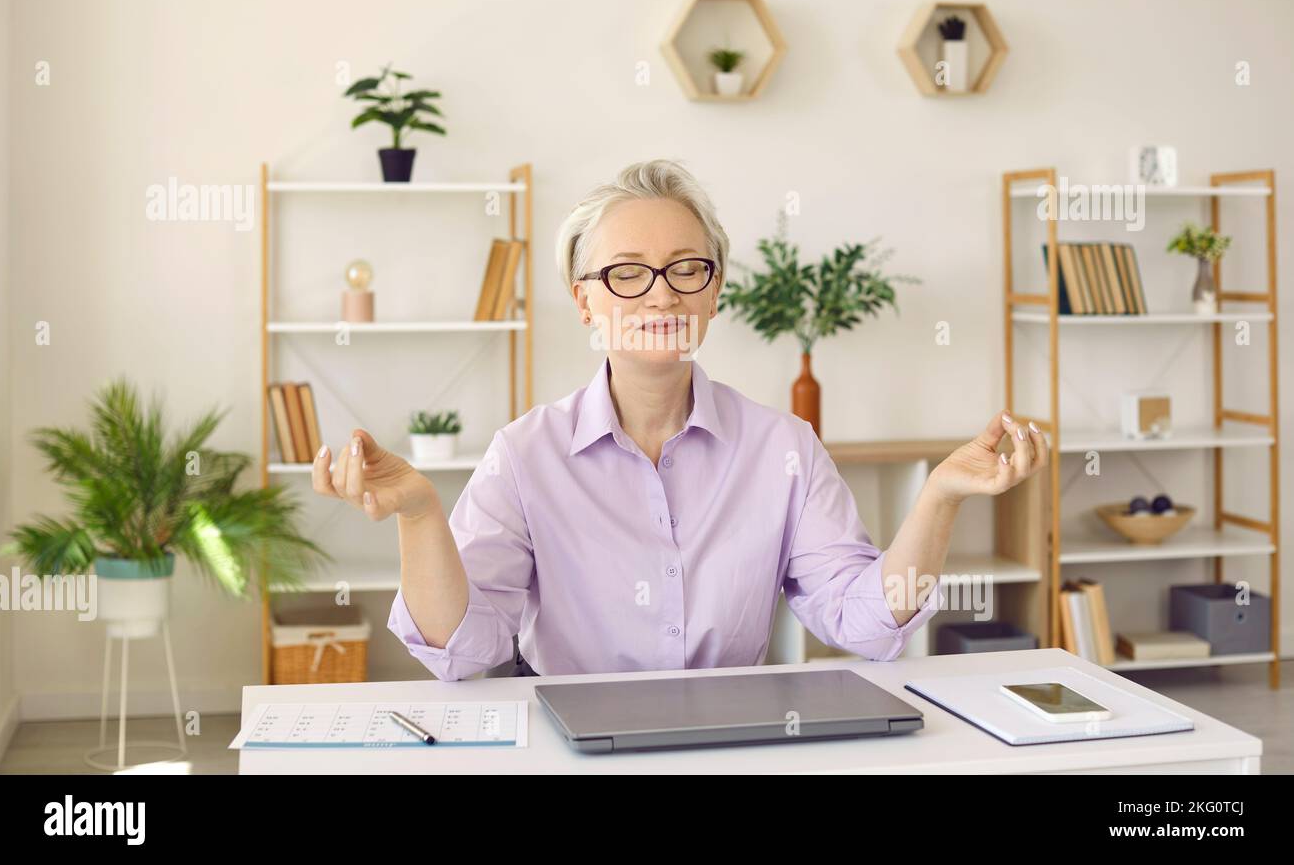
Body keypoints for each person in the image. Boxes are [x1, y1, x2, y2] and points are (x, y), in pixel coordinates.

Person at [311, 159, 1048, 680]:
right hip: (567, 741)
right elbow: (463, 650)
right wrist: (418, 516)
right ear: (585, 300)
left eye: (686, 268)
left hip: (733, 742)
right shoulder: (525, 454)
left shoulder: (782, 448)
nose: (660, 297)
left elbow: (865, 625)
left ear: (715, 291)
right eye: (626, 273)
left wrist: (940, 498)